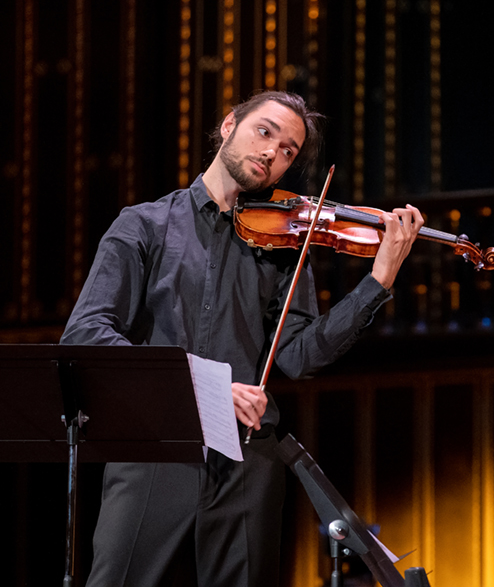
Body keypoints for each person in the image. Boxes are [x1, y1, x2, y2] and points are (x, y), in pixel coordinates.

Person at [60, 90, 424, 587]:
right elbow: (87, 332)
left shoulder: (284, 246)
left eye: (289, 150)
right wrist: (204, 387)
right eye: (265, 131)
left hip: (247, 455)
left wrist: (377, 282)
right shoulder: (144, 225)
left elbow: (297, 357)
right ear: (229, 125)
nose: (273, 151)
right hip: (156, 447)